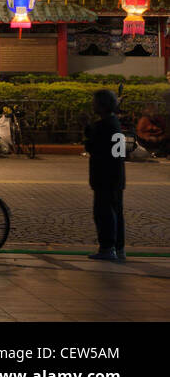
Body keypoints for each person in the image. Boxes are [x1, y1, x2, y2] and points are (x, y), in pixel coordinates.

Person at [83, 89, 126, 261]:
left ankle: (107, 247)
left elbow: (91, 145)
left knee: (103, 212)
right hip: (117, 176)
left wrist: (86, 125)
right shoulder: (115, 123)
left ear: (101, 105)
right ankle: (118, 247)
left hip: (104, 176)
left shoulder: (103, 126)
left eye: (95, 102)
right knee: (116, 212)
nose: (92, 105)